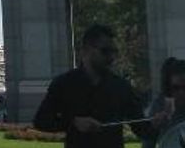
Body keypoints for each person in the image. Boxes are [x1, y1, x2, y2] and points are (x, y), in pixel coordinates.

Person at [33, 24, 164, 148]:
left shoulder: (121, 86)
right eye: (105, 51)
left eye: (114, 51)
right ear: (87, 50)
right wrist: (73, 122)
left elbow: (141, 129)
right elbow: (41, 121)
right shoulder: (64, 84)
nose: (111, 57)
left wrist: (155, 125)